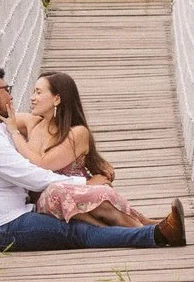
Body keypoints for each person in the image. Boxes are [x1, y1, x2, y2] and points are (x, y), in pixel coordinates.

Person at [0, 66, 185, 254]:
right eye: (6, 89)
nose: (12, 95)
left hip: (14, 215)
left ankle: (155, 228)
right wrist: (85, 183)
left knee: (80, 221)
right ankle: (154, 235)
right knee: (75, 231)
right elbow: (30, 175)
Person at [11, 70, 150, 228]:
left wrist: (14, 133)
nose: (32, 98)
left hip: (81, 193)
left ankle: (146, 229)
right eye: (33, 92)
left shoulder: (77, 133)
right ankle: (131, 229)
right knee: (57, 192)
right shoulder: (31, 123)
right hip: (48, 198)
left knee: (101, 197)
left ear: (56, 99)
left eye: (38, 92)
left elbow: (42, 164)